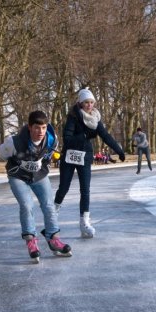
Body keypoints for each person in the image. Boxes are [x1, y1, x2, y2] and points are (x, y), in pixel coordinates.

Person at [0, 110, 71, 263]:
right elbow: (2, 155)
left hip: (39, 176)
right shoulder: (14, 142)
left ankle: (54, 239)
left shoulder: (52, 140)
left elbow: (49, 156)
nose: (41, 132)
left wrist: (41, 163)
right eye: (37, 128)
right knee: (27, 205)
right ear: (30, 127)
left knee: (49, 205)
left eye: (44, 127)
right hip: (18, 176)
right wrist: (20, 161)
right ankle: (31, 240)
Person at [54, 88, 126, 238]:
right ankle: (52, 216)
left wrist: (119, 150)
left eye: (91, 102)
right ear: (80, 103)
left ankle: (84, 223)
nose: (89, 105)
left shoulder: (95, 118)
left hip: (85, 156)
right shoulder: (73, 117)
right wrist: (85, 135)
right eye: (86, 102)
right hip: (69, 156)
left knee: (85, 190)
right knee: (64, 187)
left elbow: (105, 135)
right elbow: (67, 139)